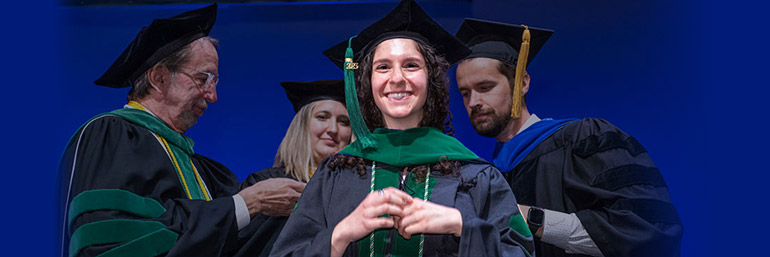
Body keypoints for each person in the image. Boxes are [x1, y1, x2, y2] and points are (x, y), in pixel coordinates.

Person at [270, 1, 534, 256]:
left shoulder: (476, 174)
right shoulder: (335, 173)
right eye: (383, 67)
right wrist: (340, 236)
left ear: (431, 79)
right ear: (367, 81)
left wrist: (462, 225)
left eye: (411, 65)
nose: (397, 78)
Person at [57, 4, 304, 257]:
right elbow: (117, 238)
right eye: (203, 79)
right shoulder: (112, 135)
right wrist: (247, 204)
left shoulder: (200, 170)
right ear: (159, 77)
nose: (213, 95)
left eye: (214, 81)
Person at [455, 18, 683, 256]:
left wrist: (529, 218)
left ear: (522, 84)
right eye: (465, 93)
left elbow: (648, 231)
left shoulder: (585, 139)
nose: (473, 103)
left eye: (485, 87)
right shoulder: (490, 174)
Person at [234, 80, 352, 256]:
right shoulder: (268, 184)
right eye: (322, 117)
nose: (333, 129)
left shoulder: (354, 192)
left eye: (344, 122)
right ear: (302, 125)